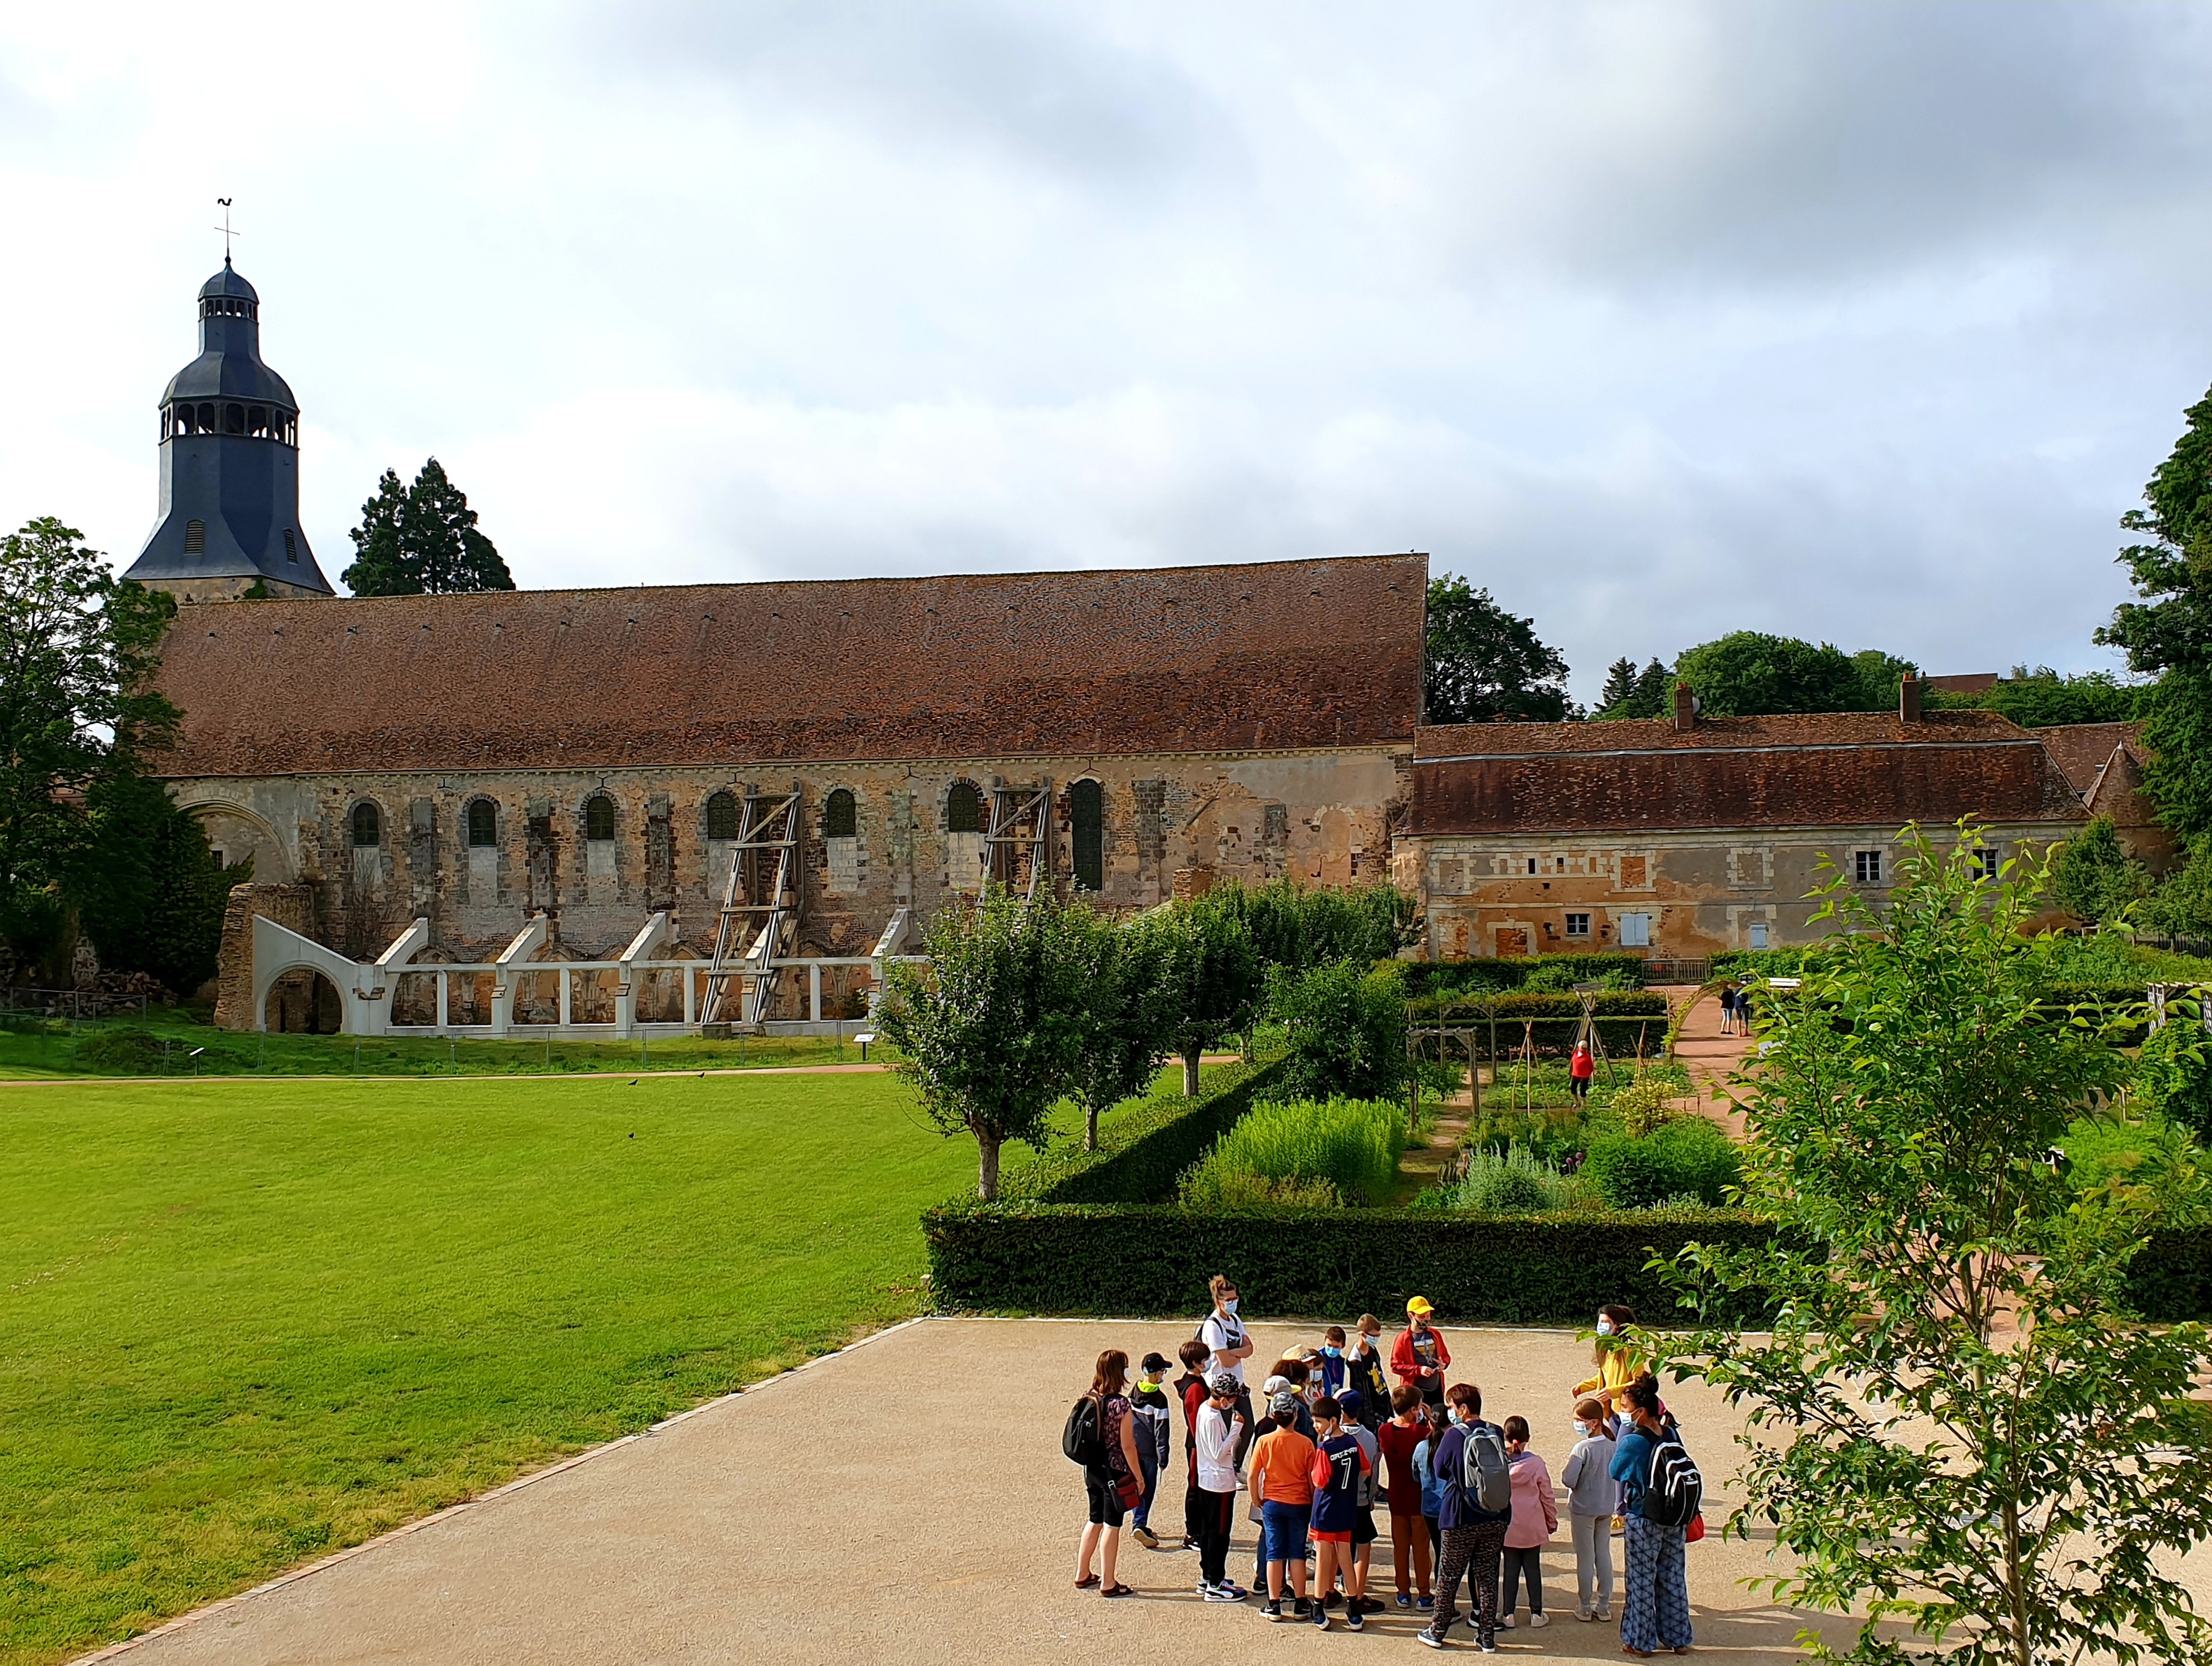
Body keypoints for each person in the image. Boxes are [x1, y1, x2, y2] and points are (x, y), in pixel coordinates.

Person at [1419, 1382, 1512, 1652]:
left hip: (1461, 1514)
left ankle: (1437, 1630)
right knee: (1487, 1574)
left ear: (1463, 1408)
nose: (1450, 1413)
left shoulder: (1455, 1435)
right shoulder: (1495, 1430)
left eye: (1451, 1407)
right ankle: (1486, 1636)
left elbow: (1439, 1468)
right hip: (1496, 1513)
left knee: (1449, 1575)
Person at [1609, 1373, 1694, 1657]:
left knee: (1641, 1580)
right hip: (1674, 1514)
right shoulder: (1670, 1432)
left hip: (1643, 1514)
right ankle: (1678, 1637)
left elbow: (1615, 1471)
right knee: (1672, 1576)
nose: (1622, 1411)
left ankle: (1639, 1641)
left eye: (1624, 1406)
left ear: (1640, 1411)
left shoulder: (1635, 1440)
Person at [1075, 1348, 1145, 1598]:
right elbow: (1127, 1445)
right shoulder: (1120, 1404)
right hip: (1114, 1471)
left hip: (1092, 1468)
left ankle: (1082, 1573)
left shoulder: (1089, 1396)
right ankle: (1109, 1581)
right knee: (1112, 1526)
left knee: (1094, 1520)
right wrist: (1138, 1477)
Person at [1250, 1391, 1318, 1620]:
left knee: (1274, 1553)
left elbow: (1252, 1475)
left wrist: (1257, 1498)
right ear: (1296, 1415)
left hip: (1273, 1502)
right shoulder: (1306, 1443)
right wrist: (1310, 1499)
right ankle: (1300, 1602)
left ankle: (1274, 1603)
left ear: (1272, 1415)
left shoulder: (1264, 1441)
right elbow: (1311, 1479)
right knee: (1297, 1553)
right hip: (1299, 1502)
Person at [1306, 1396, 1372, 1631]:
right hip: (1347, 1508)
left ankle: (1318, 1607)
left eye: (1319, 1422)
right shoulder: (1353, 1444)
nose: (1316, 1426)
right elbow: (1366, 1468)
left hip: (1325, 1511)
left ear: (1333, 1421)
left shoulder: (1325, 1448)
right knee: (1346, 1558)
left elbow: (1319, 1481)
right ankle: (1354, 1608)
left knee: (1324, 1560)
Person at [1192, 1372, 1248, 1602]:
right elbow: (1218, 1453)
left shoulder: (1204, 1409)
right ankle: (1215, 1583)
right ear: (1224, 1398)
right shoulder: (1214, 1418)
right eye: (1232, 1399)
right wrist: (1236, 1430)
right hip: (1219, 1484)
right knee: (1220, 1534)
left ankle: (1208, 1576)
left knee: (1208, 1531)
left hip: (1207, 1480)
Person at [1561, 1396, 1618, 1621]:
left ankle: (1585, 1605)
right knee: (1603, 1555)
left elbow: (1568, 1479)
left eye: (1580, 1420)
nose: (1576, 1424)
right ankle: (1603, 1605)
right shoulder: (1613, 1445)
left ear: (1594, 1423)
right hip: (1605, 1506)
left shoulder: (1582, 1448)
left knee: (1585, 1557)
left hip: (1584, 1508)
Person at [1379, 1385, 1435, 1609]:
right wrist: (1429, 1419)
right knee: (1421, 1548)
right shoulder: (1422, 1433)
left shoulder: (1384, 1431)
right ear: (1414, 1410)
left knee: (1400, 1547)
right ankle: (1424, 1593)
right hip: (1418, 1497)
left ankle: (1402, 1591)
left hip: (1396, 1496)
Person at [1499, 1414, 1558, 1630]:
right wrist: (1551, 1521)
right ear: (1528, 1438)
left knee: (1511, 1570)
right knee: (1533, 1570)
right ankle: (1536, 1612)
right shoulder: (1536, 1464)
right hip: (1532, 1526)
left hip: (1508, 1526)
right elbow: (1547, 1496)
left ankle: (1508, 1614)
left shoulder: (1499, 1464)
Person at [1337, 1388, 1385, 1617]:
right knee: (1362, 1550)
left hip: (1335, 1501)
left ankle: (1328, 1590)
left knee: (1335, 1547)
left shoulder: (1330, 1437)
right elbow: (1373, 1472)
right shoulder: (1369, 1437)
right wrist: (1372, 1496)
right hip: (1360, 1500)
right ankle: (1357, 1594)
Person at [1199, 1274, 1256, 1467]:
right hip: (1221, 1387)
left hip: (1237, 1384)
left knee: (1248, 1425)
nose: (1233, 1303)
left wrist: (1234, 1352)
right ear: (1218, 1301)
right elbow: (1225, 1361)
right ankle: (1223, 1468)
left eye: (1235, 1298)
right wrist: (1238, 1353)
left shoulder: (1235, 1320)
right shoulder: (1212, 1326)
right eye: (1228, 1300)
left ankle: (1236, 1464)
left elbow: (1250, 1349)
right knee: (1224, 1430)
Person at [1129, 1352, 1174, 1549]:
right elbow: (1161, 1431)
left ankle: (1140, 1522)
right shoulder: (1159, 1399)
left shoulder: (1134, 1392)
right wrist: (1163, 1458)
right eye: (1163, 1371)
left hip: (1133, 1448)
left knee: (1136, 1485)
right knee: (1148, 1489)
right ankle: (1140, 1523)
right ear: (1156, 1374)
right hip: (1150, 1453)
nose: (1164, 1375)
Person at [1173, 1338, 1214, 1552]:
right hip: (1199, 1443)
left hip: (1199, 1442)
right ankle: (1193, 1533)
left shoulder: (1194, 1382)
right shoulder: (1195, 1388)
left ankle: (1197, 1530)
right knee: (1196, 1486)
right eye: (1206, 1359)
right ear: (1197, 1363)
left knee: (1197, 1485)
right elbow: (1197, 1419)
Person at [1392, 1296, 1452, 1419]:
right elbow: (1395, 1366)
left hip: (1437, 1388)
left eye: (1428, 1315)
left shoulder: (1435, 1334)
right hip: (1415, 1391)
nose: (1426, 1319)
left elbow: (1446, 1356)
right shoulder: (1403, 1339)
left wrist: (1443, 1364)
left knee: (1438, 1421)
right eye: (1422, 1316)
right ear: (1411, 1316)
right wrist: (1419, 1370)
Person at [1347, 1314, 1390, 1425]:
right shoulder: (1354, 1361)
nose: (1376, 1339)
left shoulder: (1373, 1350)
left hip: (1382, 1405)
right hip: (1370, 1412)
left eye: (1378, 1336)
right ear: (1363, 1335)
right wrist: (1368, 1417)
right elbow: (1359, 1392)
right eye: (1374, 1336)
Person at [1315, 1325, 1351, 1400]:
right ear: (1325, 1341)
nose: (1332, 1350)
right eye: (1329, 1345)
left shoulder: (1341, 1361)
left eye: (1336, 1347)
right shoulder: (1317, 1360)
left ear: (1343, 1346)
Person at [1569, 1037, 1595, 1102]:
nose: (1584, 1050)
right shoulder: (1575, 1053)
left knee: (1583, 1090)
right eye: (1582, 1048)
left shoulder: (1587, 1056)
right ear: (1579, 1047)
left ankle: (1584, 1102)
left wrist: (1590, 1073)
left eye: (1585, 1048)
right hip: (1575, 1074)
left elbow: (1591, 1066)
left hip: (1585, 1075)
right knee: (1573, 1088)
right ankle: (1577, 1101)